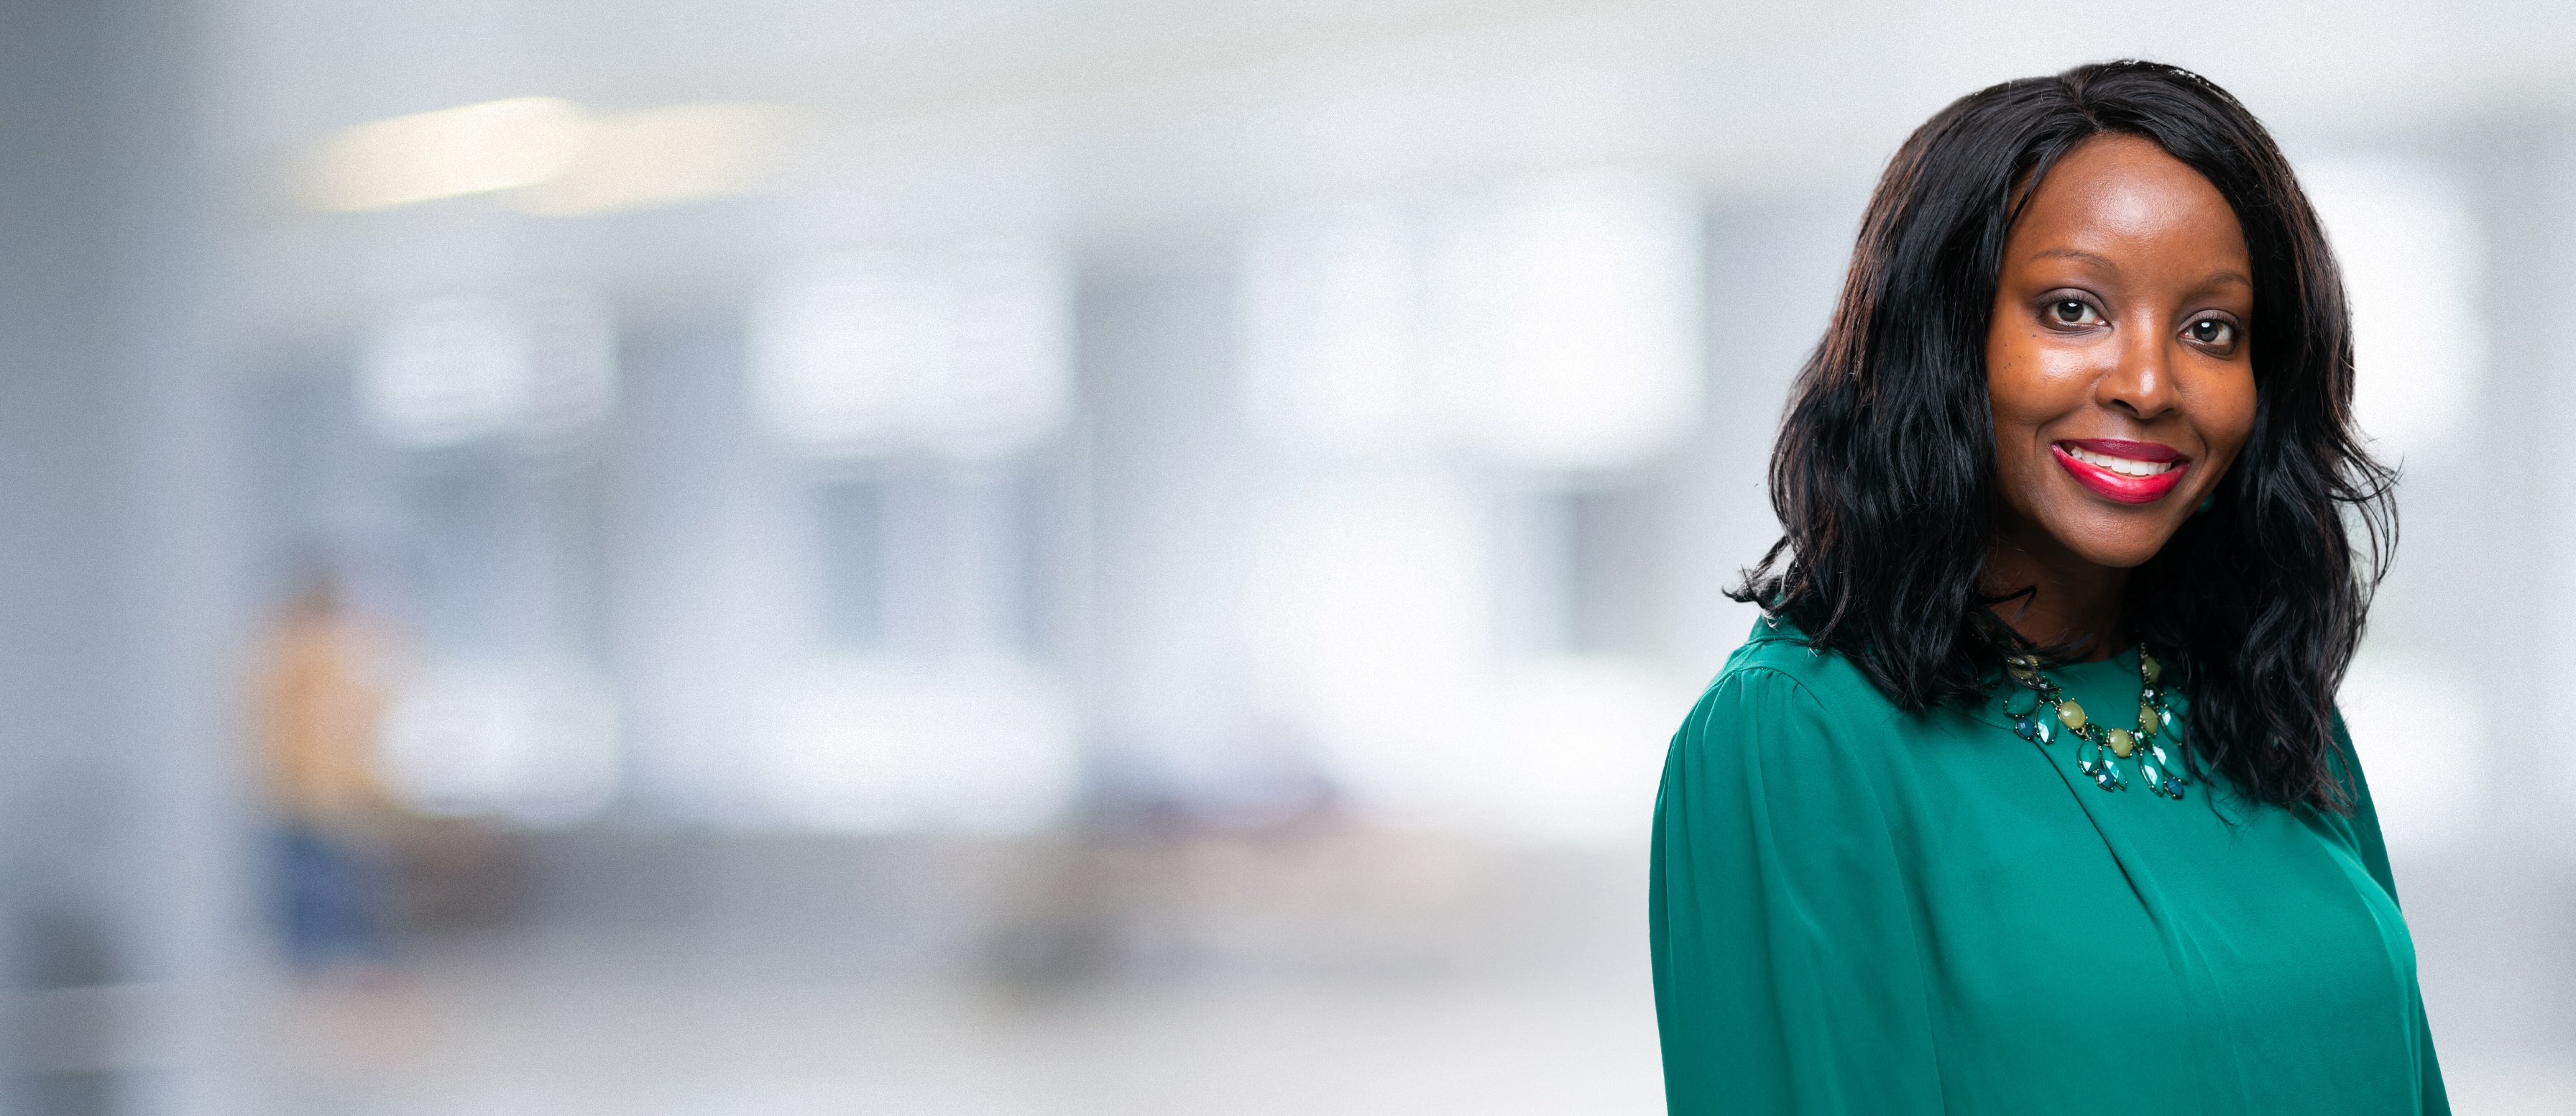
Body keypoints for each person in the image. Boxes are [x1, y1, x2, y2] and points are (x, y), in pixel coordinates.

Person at [1651, 61, 2445, 1115]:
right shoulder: (1797, 737)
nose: (2149, 384)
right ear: (1945, 340)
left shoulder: (2260, 695)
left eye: (2212, 329)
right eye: (2073, 310)